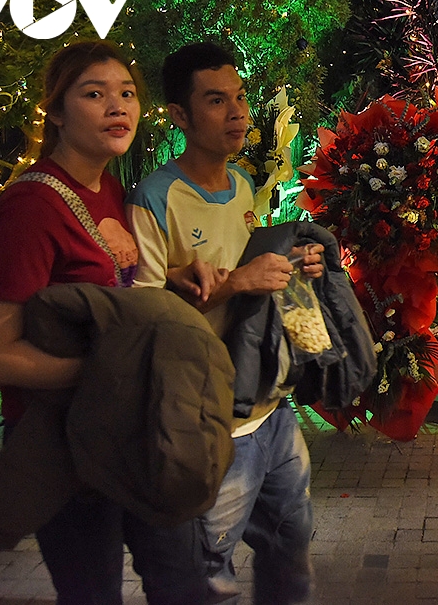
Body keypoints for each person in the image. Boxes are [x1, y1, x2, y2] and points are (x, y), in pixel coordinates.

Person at [0, 40, 208, 605]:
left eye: (126, 93)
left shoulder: (109, 189)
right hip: (66, 443)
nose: (117, 106)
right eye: (94, 94)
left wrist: (174, 277)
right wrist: (108, 371)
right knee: (93, 593)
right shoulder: (31, 206)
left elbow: (110, 291)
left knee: (182, 579)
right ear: (56, 111)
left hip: (127, 425)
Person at [127, 41, 322, 605]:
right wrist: (236, 282)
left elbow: (249, 272)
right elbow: (141, 322)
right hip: (208, 419)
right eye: (216, 101)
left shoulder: (241, 185)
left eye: (239, 97)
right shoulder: (155, 198)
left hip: (268, 404)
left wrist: (293, 263)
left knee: (291, 545)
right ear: (179, 115)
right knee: (207, 574)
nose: (237, 112)